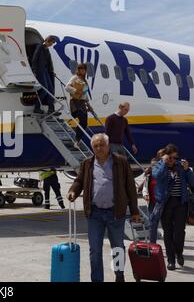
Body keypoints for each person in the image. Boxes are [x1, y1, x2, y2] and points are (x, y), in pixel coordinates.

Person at [67, 133, 140, 282]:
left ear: (108, 145)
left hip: (115, 212)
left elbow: (130, 188)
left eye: (102, 145)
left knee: (118, 248)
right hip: (95, 213)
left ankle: (119, 275)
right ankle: (97, 279)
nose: (99, 148)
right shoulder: (87, 163)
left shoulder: (121, 162)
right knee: (94, 250)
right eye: (95, 145)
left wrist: (134, 211)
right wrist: (73, 190)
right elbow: (79, 181)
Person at [152, 144, 194, 270]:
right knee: (168, 231)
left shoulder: (181, 167)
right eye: (171, 157)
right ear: (165, 156)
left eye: (175, 158)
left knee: (179, 231)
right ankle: (171, 259)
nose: (173, 161)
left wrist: (187, 170)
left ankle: (179, 252)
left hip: (180, 203)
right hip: (165, 203)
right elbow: (156, 176)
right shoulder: (160, 165)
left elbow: (192, 182)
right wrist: (164, 163)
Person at [65, 63, 93, 146]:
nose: (82, 71)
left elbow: (85, 94)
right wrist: (76, 91)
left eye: (84, 69)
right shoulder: (75, 78)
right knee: (77, 116)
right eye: (81, 69)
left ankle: (77, 139)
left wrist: (89, 105)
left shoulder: (84, 80)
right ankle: (71, 131)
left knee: (84, 123)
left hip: (82, 102)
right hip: (75, 101)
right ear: (78, 70)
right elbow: (67, 87)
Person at [32, 36, 60, 116]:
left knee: (50, 90)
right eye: (52, 42)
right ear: (49, 41)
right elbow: (34, 59)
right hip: (40, 71)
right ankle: (37, 107)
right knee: (44, 89)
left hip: (46, 71)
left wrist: (52, 72)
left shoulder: (46, 49)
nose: (52, 44)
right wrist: (34, 70)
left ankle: (51, 109)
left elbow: (48, 63)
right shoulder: (40, 47)